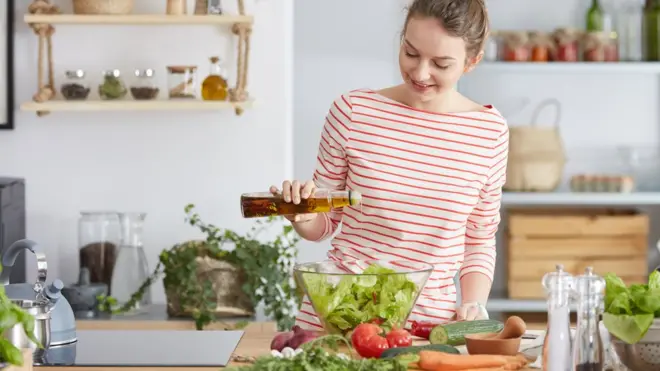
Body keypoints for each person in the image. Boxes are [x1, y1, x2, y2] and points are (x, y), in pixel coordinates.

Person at [271, 0, 509, 330]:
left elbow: (480, 238)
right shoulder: (353, 112)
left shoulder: (490, 132)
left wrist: (473, 303)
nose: (420, 72)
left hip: (426, 331)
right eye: (411, 53)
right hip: (338, 315)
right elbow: (324, 223)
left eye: (441, 63)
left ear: (472, 62)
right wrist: (303, 214)